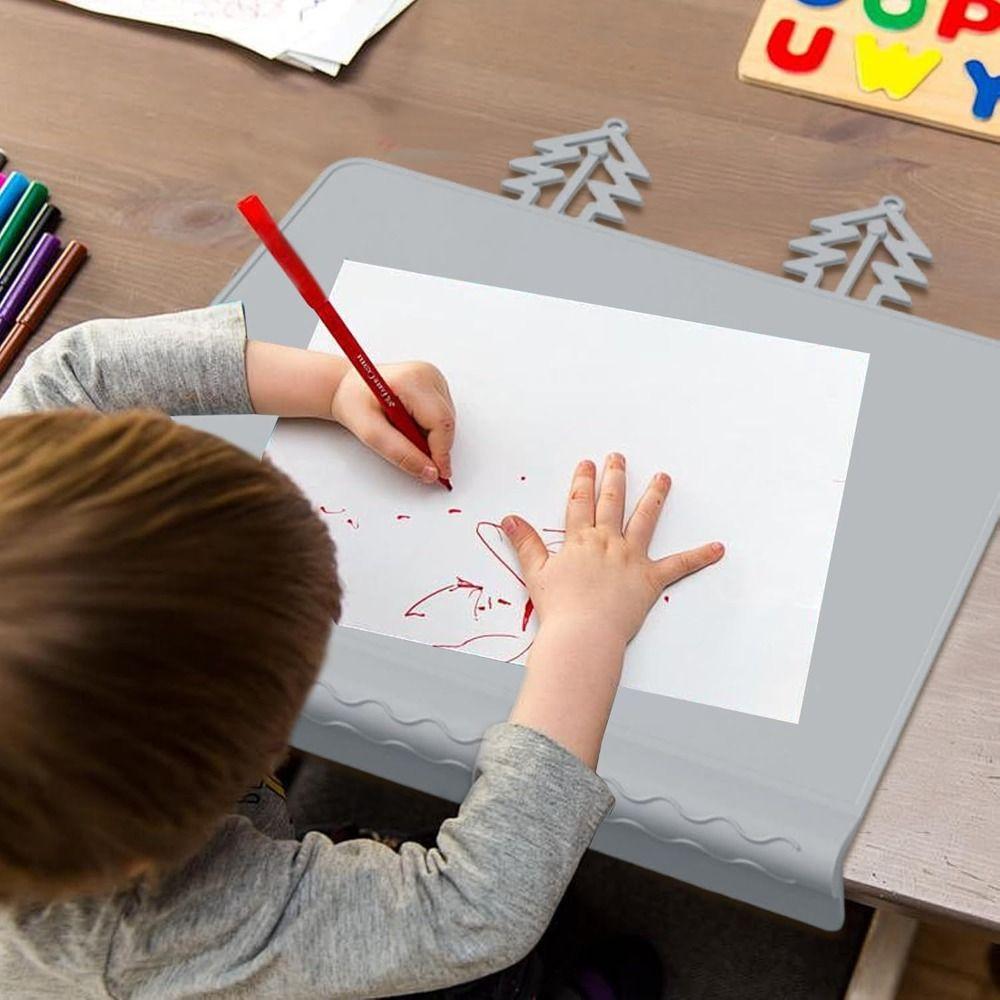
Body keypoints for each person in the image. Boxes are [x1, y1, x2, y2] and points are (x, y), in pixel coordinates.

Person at [0, 304, 723, 998]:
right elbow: (474, 910)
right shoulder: (149, 932)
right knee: (461, 974)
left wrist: (333, 385)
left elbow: (77, 368)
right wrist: (585, 629)